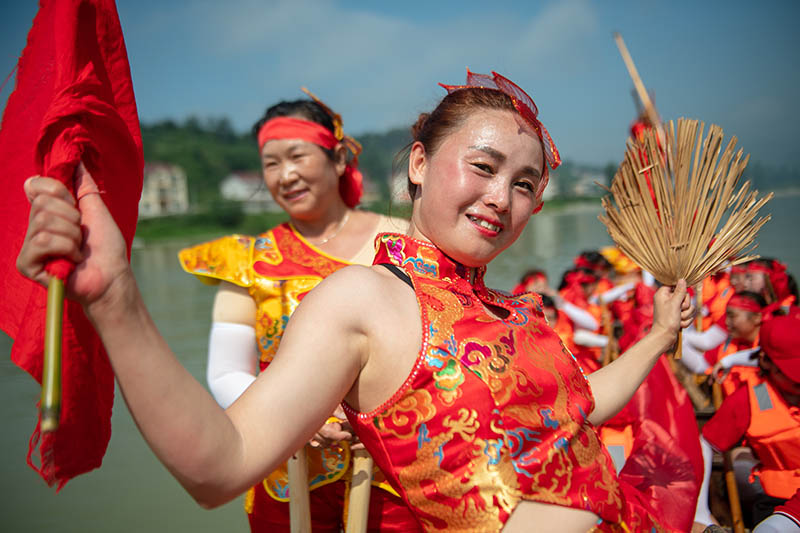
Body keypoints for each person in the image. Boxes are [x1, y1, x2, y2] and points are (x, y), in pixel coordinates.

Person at [17, 70, 695, 532]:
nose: (501, 198)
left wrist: (660, 335)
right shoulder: (364, 296)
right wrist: (117, 300)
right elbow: (219, 462)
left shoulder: (515, 309)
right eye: (483, 167)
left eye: (525, 184)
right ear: (420, 164)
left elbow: (581, 406)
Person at [177, 91, 414, 532]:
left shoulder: (403, 242)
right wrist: (299, 418)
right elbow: (226, 373)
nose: (285, 175)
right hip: (289, 473)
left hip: (392, 471)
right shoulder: (248, 261)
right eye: (271, 163)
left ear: (339, 157)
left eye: (297, 156)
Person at [698, 315, 800, 527]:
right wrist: (701, 510)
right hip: (779, 506)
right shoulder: (750, 400)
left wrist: (730, 360)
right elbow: (706, 442)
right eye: (791, 374)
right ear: (765, 362)